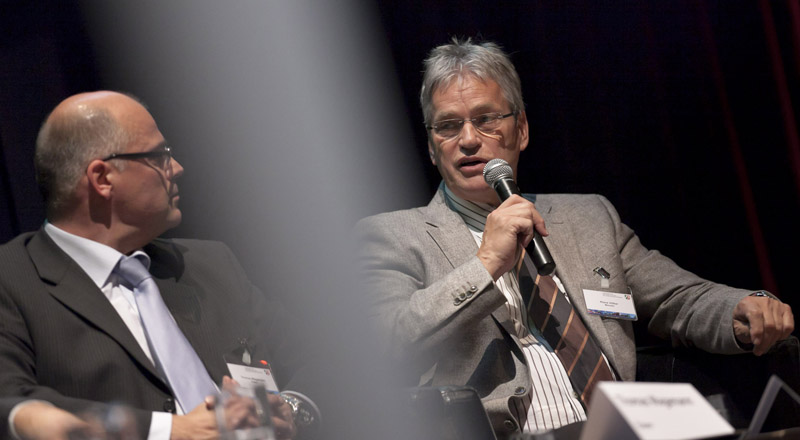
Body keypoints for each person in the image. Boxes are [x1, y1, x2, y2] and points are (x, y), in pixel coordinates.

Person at [354, 38, 794, 438]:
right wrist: (485, 263)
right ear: (431, 148)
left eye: (486, 119)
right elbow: (385, 344)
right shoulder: (392, 236)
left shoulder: (587, 216)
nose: (468, 140)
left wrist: (742, 307)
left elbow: (678, 298)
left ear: (521, 129)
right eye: (448, 126)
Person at [0, 91, 316, 440]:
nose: (177, 168)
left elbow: (320, 360)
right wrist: (171, 431)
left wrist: (289, 409)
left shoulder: (210, 265)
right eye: (159, 156)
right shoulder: (12, 281)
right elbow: (12, 403)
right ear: (102, 178)